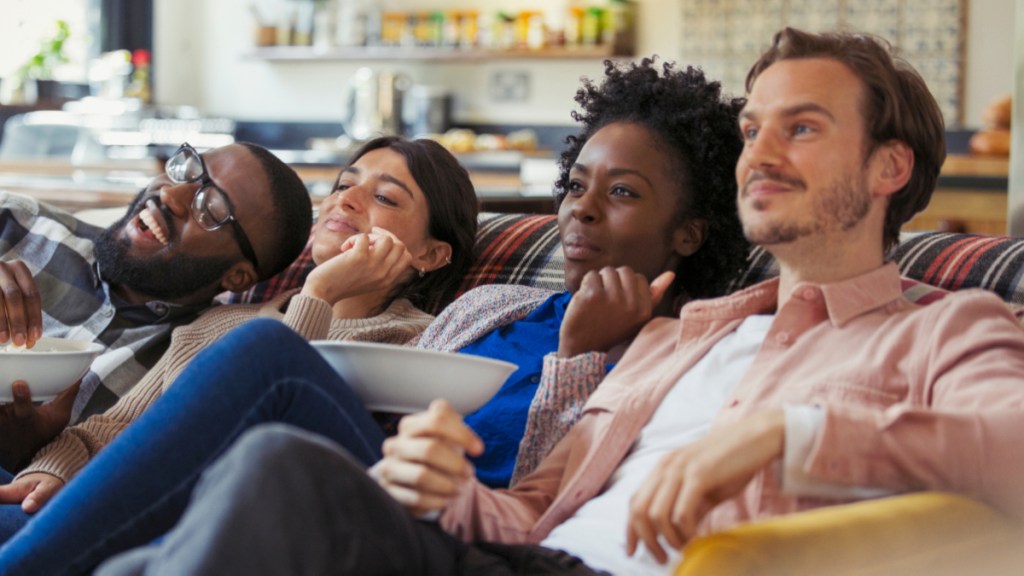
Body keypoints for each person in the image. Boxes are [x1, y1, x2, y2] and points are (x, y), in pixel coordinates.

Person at [94, 28, 1024, 576]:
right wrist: (451, 490)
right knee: (277, 471)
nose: (762, 151)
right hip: (518, 561)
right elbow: (529, 510)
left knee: (277, 473)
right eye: (752, 130)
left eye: (804, 127)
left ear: (889, 168)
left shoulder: (947, 326)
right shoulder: (681, 339)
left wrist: (800, 434)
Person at [0, 59, 749, 574]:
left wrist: (579, 355)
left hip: (436, 515)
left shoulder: (678, 347)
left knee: (264, 362)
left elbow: (545, 498)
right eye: (577, 184)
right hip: (359, 472)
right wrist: (46, 466)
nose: (581, 207)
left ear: (688, 230)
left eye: (621, 193)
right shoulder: (496, 304)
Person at [0, 135, 479, 541]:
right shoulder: (222, 320)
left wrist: (321, 295)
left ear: (432, 254)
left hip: (201, 523)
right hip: (106, 496)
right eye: (344, 185)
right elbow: (111, 428)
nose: (347, 200)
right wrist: (52, 470)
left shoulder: (418, 342)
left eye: (386, 198)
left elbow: (274, 430)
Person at [0, 141, 313, 472]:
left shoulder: (193, 369)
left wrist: (27, 452)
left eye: (212, 207)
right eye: (190, 169)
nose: (171, 196)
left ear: (237, 277)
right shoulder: (16, 222)